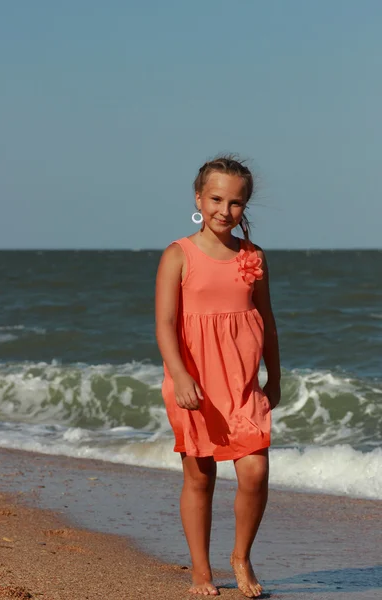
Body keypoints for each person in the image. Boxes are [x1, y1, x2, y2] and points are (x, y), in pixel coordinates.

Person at [155, 155, 281, 597]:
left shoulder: (254, 257)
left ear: (245, 206)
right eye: (216, 199)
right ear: (198, 198)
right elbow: (166, 324)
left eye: (235, 202)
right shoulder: (178, 254)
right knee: (200, 476)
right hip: (194, 381)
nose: (224, 211)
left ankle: (241, 557)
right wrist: (180, 375)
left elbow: (266, 318)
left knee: (255, 472)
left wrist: (276, 375)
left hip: (243, 382)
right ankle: (201, 571)